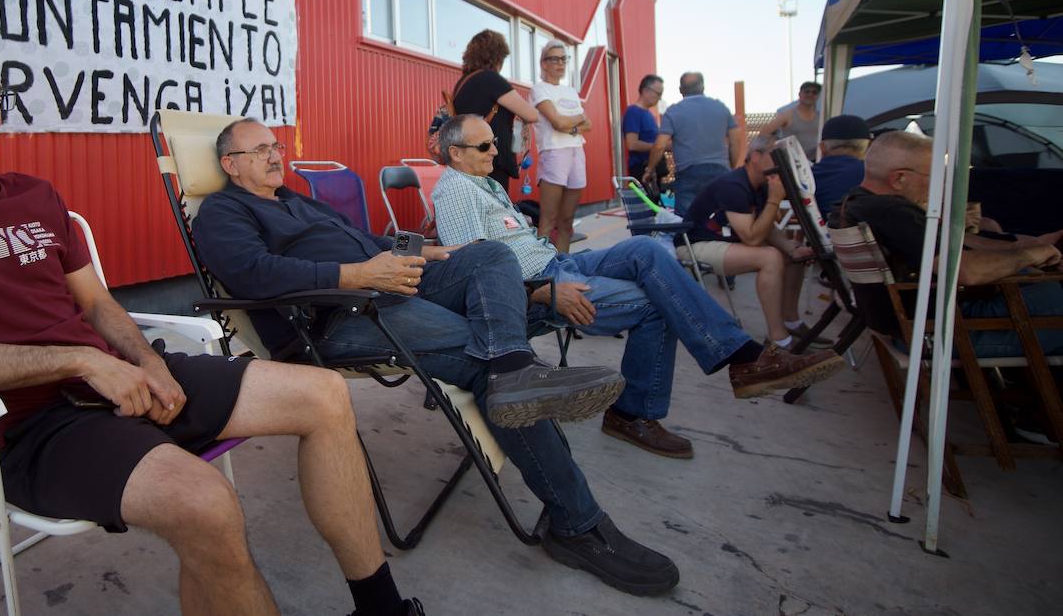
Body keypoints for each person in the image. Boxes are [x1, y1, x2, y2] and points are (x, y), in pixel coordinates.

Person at [0, 31, 422, 616]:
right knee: (206, 503)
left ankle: (380, 606)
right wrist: (83, 361)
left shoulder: (31, 194)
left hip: (119, 378)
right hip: (29, 425)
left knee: (325, 393)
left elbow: (99, 304)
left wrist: (147, 360)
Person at [194, 117, 684, 598]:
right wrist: (360, 275)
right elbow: (254, 275)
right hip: (335, 316)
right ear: (229, 164)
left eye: (275, 145)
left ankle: (514, 369)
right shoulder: (222, 212)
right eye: (259, 150)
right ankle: (577, 524)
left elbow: (368, 241)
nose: (275, 155)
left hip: (388, 281)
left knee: (491, 254)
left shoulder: (294, 199)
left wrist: (427, 251)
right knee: (482, 359)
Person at [431, 114, 846, 460]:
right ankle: (638, 412)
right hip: (537, 287)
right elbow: (473, 266)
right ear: (455, 153)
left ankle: (742, 357)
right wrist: (540, 291)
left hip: (557, 263)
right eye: (484, 147)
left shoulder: (486, 183)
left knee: (646, 249)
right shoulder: (454, 190)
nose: (496, 152)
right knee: (656, 304)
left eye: (493, 144)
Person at [837, 130, 1063, 357]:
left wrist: (1019, 249)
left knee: (1040, 288)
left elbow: (951, 244)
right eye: (935, 176)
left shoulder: (854, 204)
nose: (941, 185)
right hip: (944, 335)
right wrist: (1029, 256)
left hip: (912, 325)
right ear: (899, 178)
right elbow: (965, 271)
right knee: (1052, 293)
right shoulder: (892, 212)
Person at [681, 143, 826, 348]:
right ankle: (777, 338)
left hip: (725, 241)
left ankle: (790, 321)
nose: (781, 164)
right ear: (756, 157)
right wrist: (774, 200)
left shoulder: (760, 185)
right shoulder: (733, 185)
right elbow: (752, 238)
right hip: (695, 244)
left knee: (792, 255)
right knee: (770, 257)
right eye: (775, 157)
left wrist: (790, 247)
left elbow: (764, 226)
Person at [643, 72, 744, 216]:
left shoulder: (673, 112)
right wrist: (731, 167)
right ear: (703, 87)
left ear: (680, 90)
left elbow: (659, 146)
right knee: (721, 220)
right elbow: (735, 140)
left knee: (687, 224)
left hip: (688, 174)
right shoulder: (721, 108)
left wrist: (650, 170)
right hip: (720, 172)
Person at [451, 29, 539, 191]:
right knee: (494, 212)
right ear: (498, 57)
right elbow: (531, 114)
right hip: (490, 160)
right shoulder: (491, 79)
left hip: (467, 158)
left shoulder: (462, 84)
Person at [530, 39, 590, 251]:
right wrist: (578, 119)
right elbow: (557, 122)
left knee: (567, 221)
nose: (561, 63)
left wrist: (570, 125)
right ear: (543, 63)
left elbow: (588, 124)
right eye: (555, 59)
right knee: (549, 219)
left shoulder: (571, 91)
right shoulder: (539, 89)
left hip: (577, 152)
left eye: (564, 59)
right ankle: (541, 272)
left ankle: (563, 266)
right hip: (554, 152)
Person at [809, 114, 873, 221]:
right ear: (869, 147)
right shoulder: (872, 174)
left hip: (826, 234)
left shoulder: (807, 177)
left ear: (822, 147)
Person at [758, 81, 823, 162]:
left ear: (818, 96)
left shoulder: (821, 117)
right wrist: (775, 147)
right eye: (807, 92)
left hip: (815, 160)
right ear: (800, 94)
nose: (810, 95)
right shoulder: (787, 115)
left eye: (814, 92)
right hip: (793, 161)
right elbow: (764, 132)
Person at [622, 74, 663, 183]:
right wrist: (658, 146)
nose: (660, 98)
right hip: (641, 169)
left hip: (651, 169)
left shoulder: (649, 114)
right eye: (658, 93)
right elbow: (632, 144)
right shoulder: (633, 112)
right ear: (645, 91)